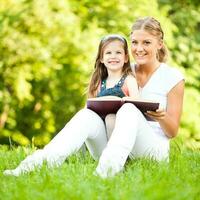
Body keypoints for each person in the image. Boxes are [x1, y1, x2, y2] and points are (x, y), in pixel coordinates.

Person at [3, 34, 139, 176]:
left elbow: (137, 111)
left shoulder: (129, 80)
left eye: (118, 52)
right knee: (84, 115)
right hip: (103, 143)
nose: (113, 56)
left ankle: (110, 170)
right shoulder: (99, 83)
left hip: (124, 143)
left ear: (125, 58)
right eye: (108, 53)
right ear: (101, 58)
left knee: (114, 118)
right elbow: (91, 109)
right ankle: (34, 165)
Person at [95, 17, 184, 178]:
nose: (139, 48)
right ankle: (42, 161)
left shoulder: (172, 77)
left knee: (129, 109)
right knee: (86, 116)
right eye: (134, 42)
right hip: (119, 141)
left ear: (159, 44)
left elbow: (172, 132)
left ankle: (106, 173)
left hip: (153, 150)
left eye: (146, 43)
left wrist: (162, 116)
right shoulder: (123, 71)